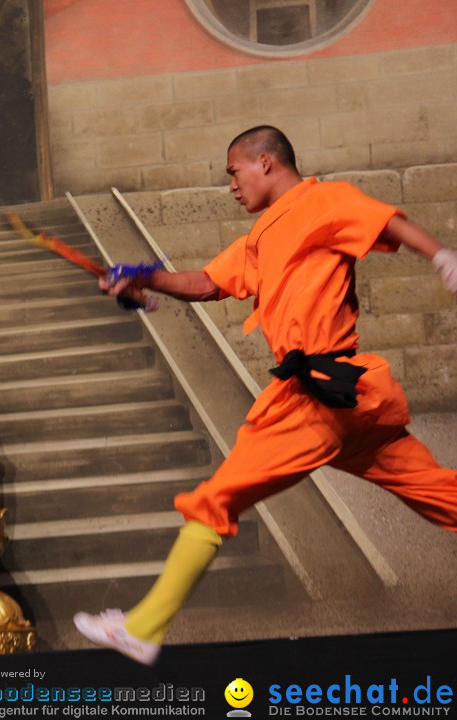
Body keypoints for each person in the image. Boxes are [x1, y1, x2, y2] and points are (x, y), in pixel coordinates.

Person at [73, 125, 457, 665]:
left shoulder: (324, 200)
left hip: (317, 401)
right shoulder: (262, 235)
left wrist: (442, 256)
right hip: (351, 401)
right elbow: (207, 282)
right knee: (441, 493)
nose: (231, 185)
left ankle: (143, 626)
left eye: (234, 172)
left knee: (215, 500)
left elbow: (386, 220)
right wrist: (144, 278)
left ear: (266, 162)